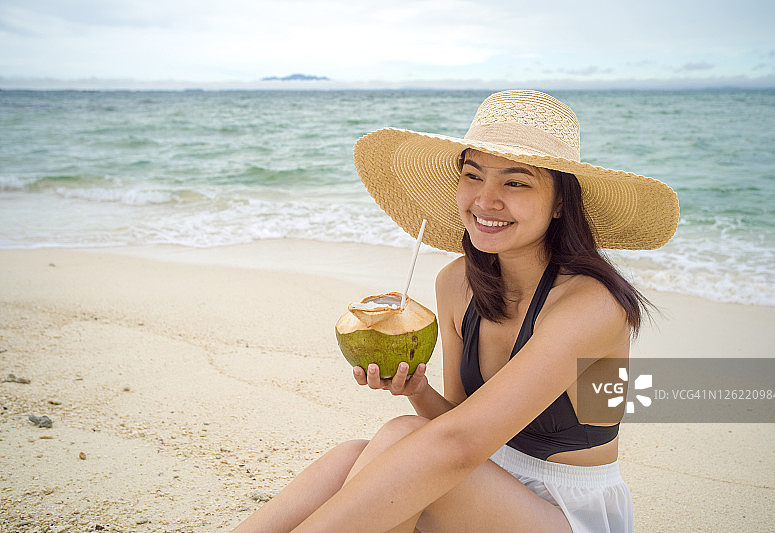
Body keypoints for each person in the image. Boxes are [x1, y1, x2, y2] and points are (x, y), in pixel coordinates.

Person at [234, 90, 679, 532]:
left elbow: (459, 445)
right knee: (353, 455)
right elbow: (460, 421)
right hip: (482, 481)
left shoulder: (592, 305)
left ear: (560, 202)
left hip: (566, 512)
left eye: (516, 181)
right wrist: (417, 390)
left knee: (401, 437)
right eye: (473, 176)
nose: (485, 201)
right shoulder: (456, 283)